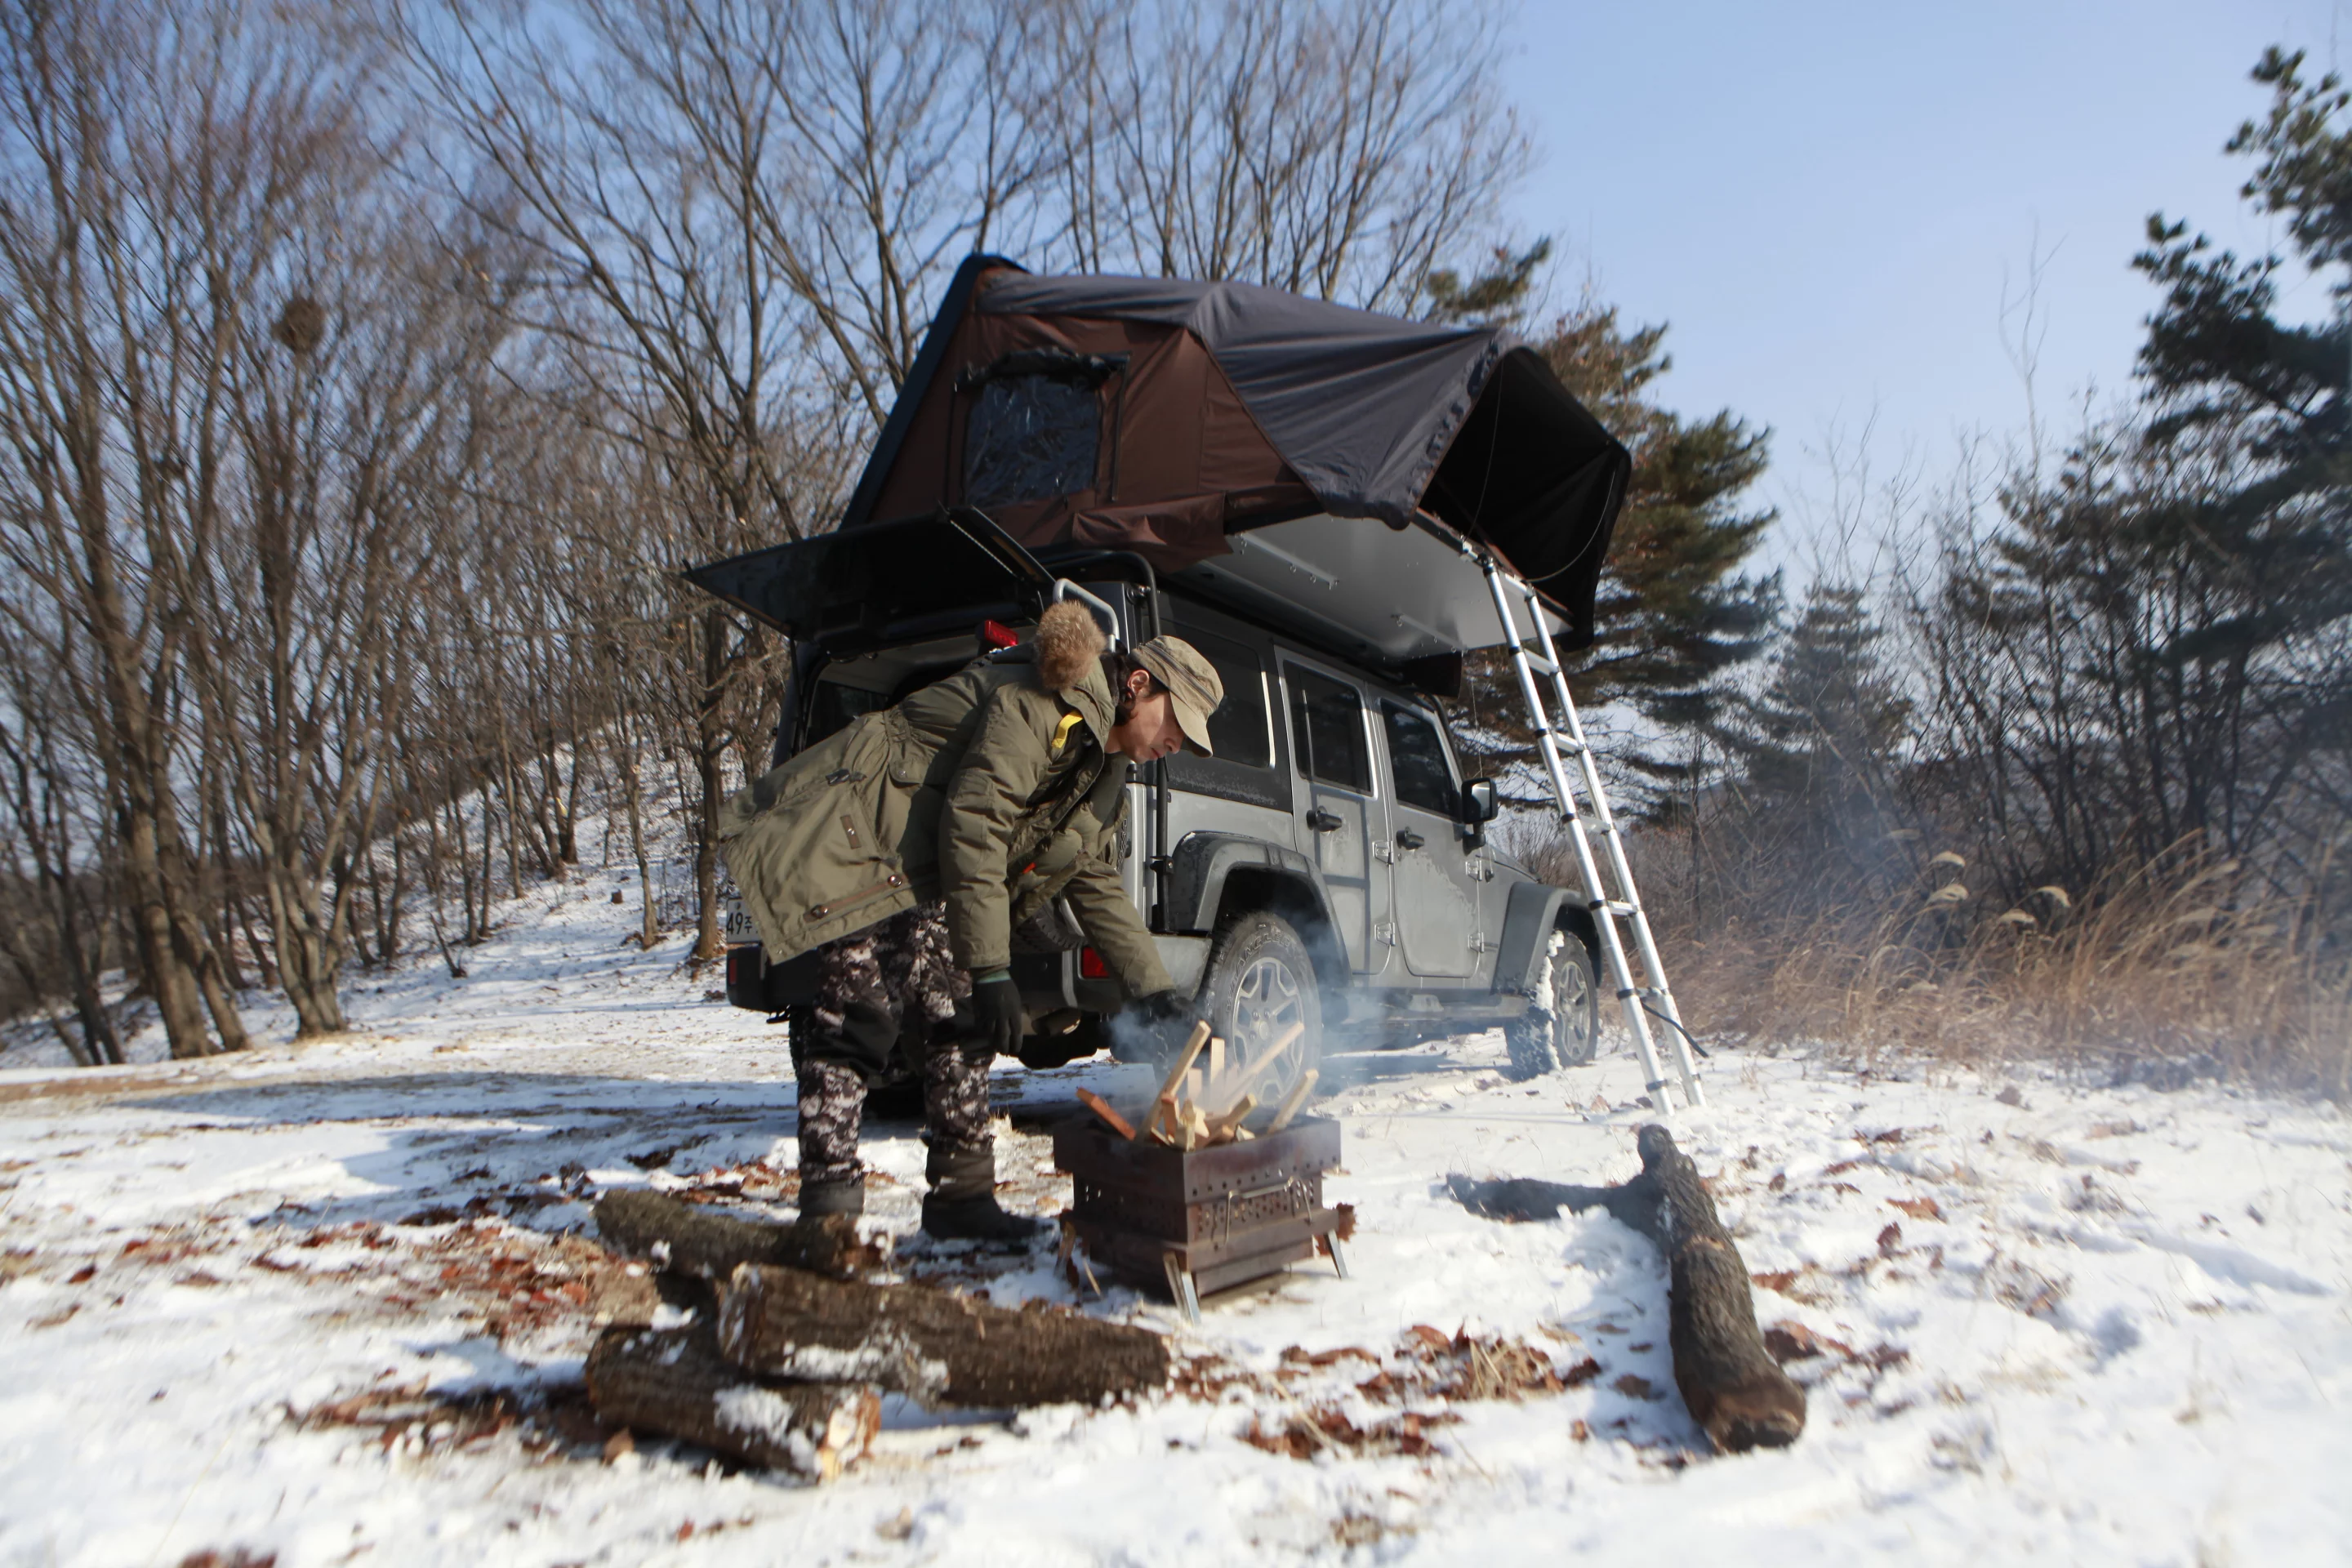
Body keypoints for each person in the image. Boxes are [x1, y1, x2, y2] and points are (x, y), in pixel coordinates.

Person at [718, 600, 1221, 1242]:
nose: (1175, 744)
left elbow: (1092, 879)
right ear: (1140, 685)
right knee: (855, 1017)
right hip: (860, 835)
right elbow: (977, 823)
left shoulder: (1103, 768)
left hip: (926, 864)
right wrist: (991, 967)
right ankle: (829, 1210)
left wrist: (1154, 994)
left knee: (956, 1019)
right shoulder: (1044, 700)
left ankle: (961, 1199)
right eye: (1177, 724)